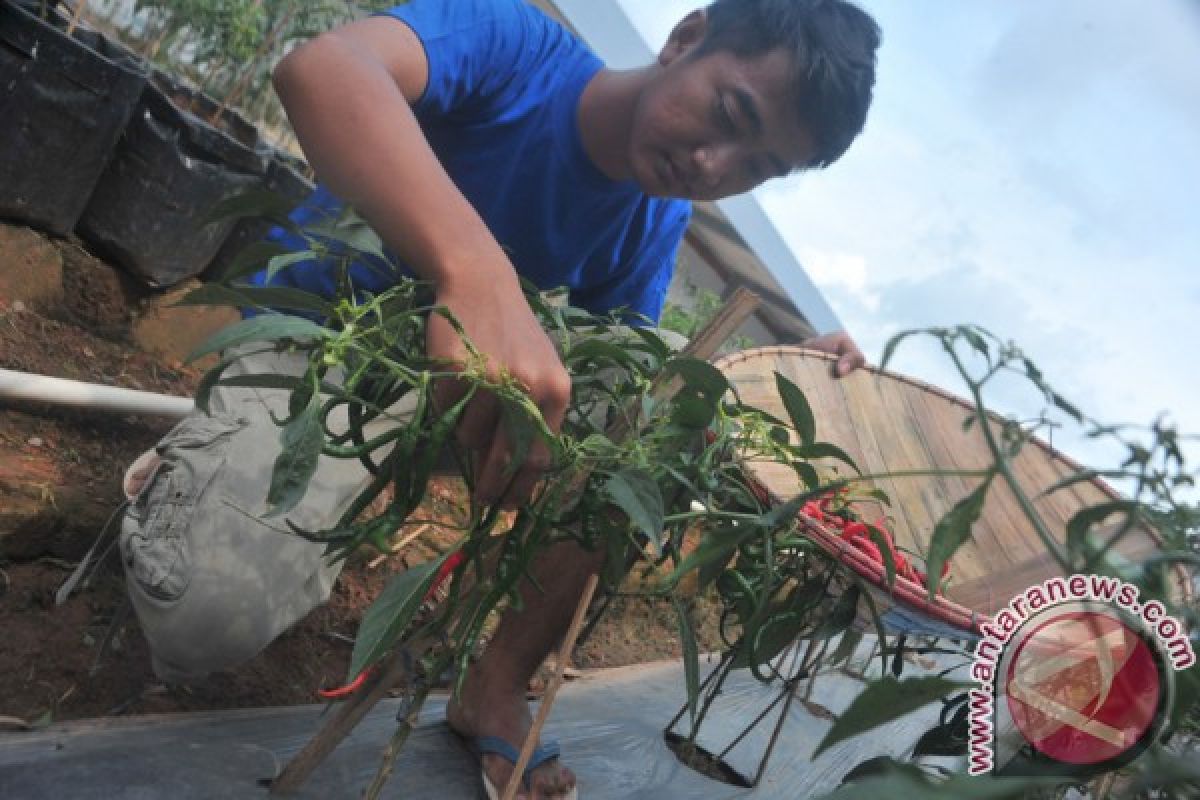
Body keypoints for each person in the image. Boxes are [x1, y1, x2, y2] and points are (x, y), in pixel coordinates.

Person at [119, 1, 880, 797]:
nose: (715, 163)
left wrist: (763, 377)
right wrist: (474, 271)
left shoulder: (656, 220)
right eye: (730, 113)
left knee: (654, 425)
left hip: (449, 400)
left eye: (757, 167)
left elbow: (621, 382)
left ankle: (496, 682)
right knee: (204, 618)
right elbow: (325, 70)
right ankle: (189, 479)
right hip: (325, 354)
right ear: (685, 39)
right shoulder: (518, 46)